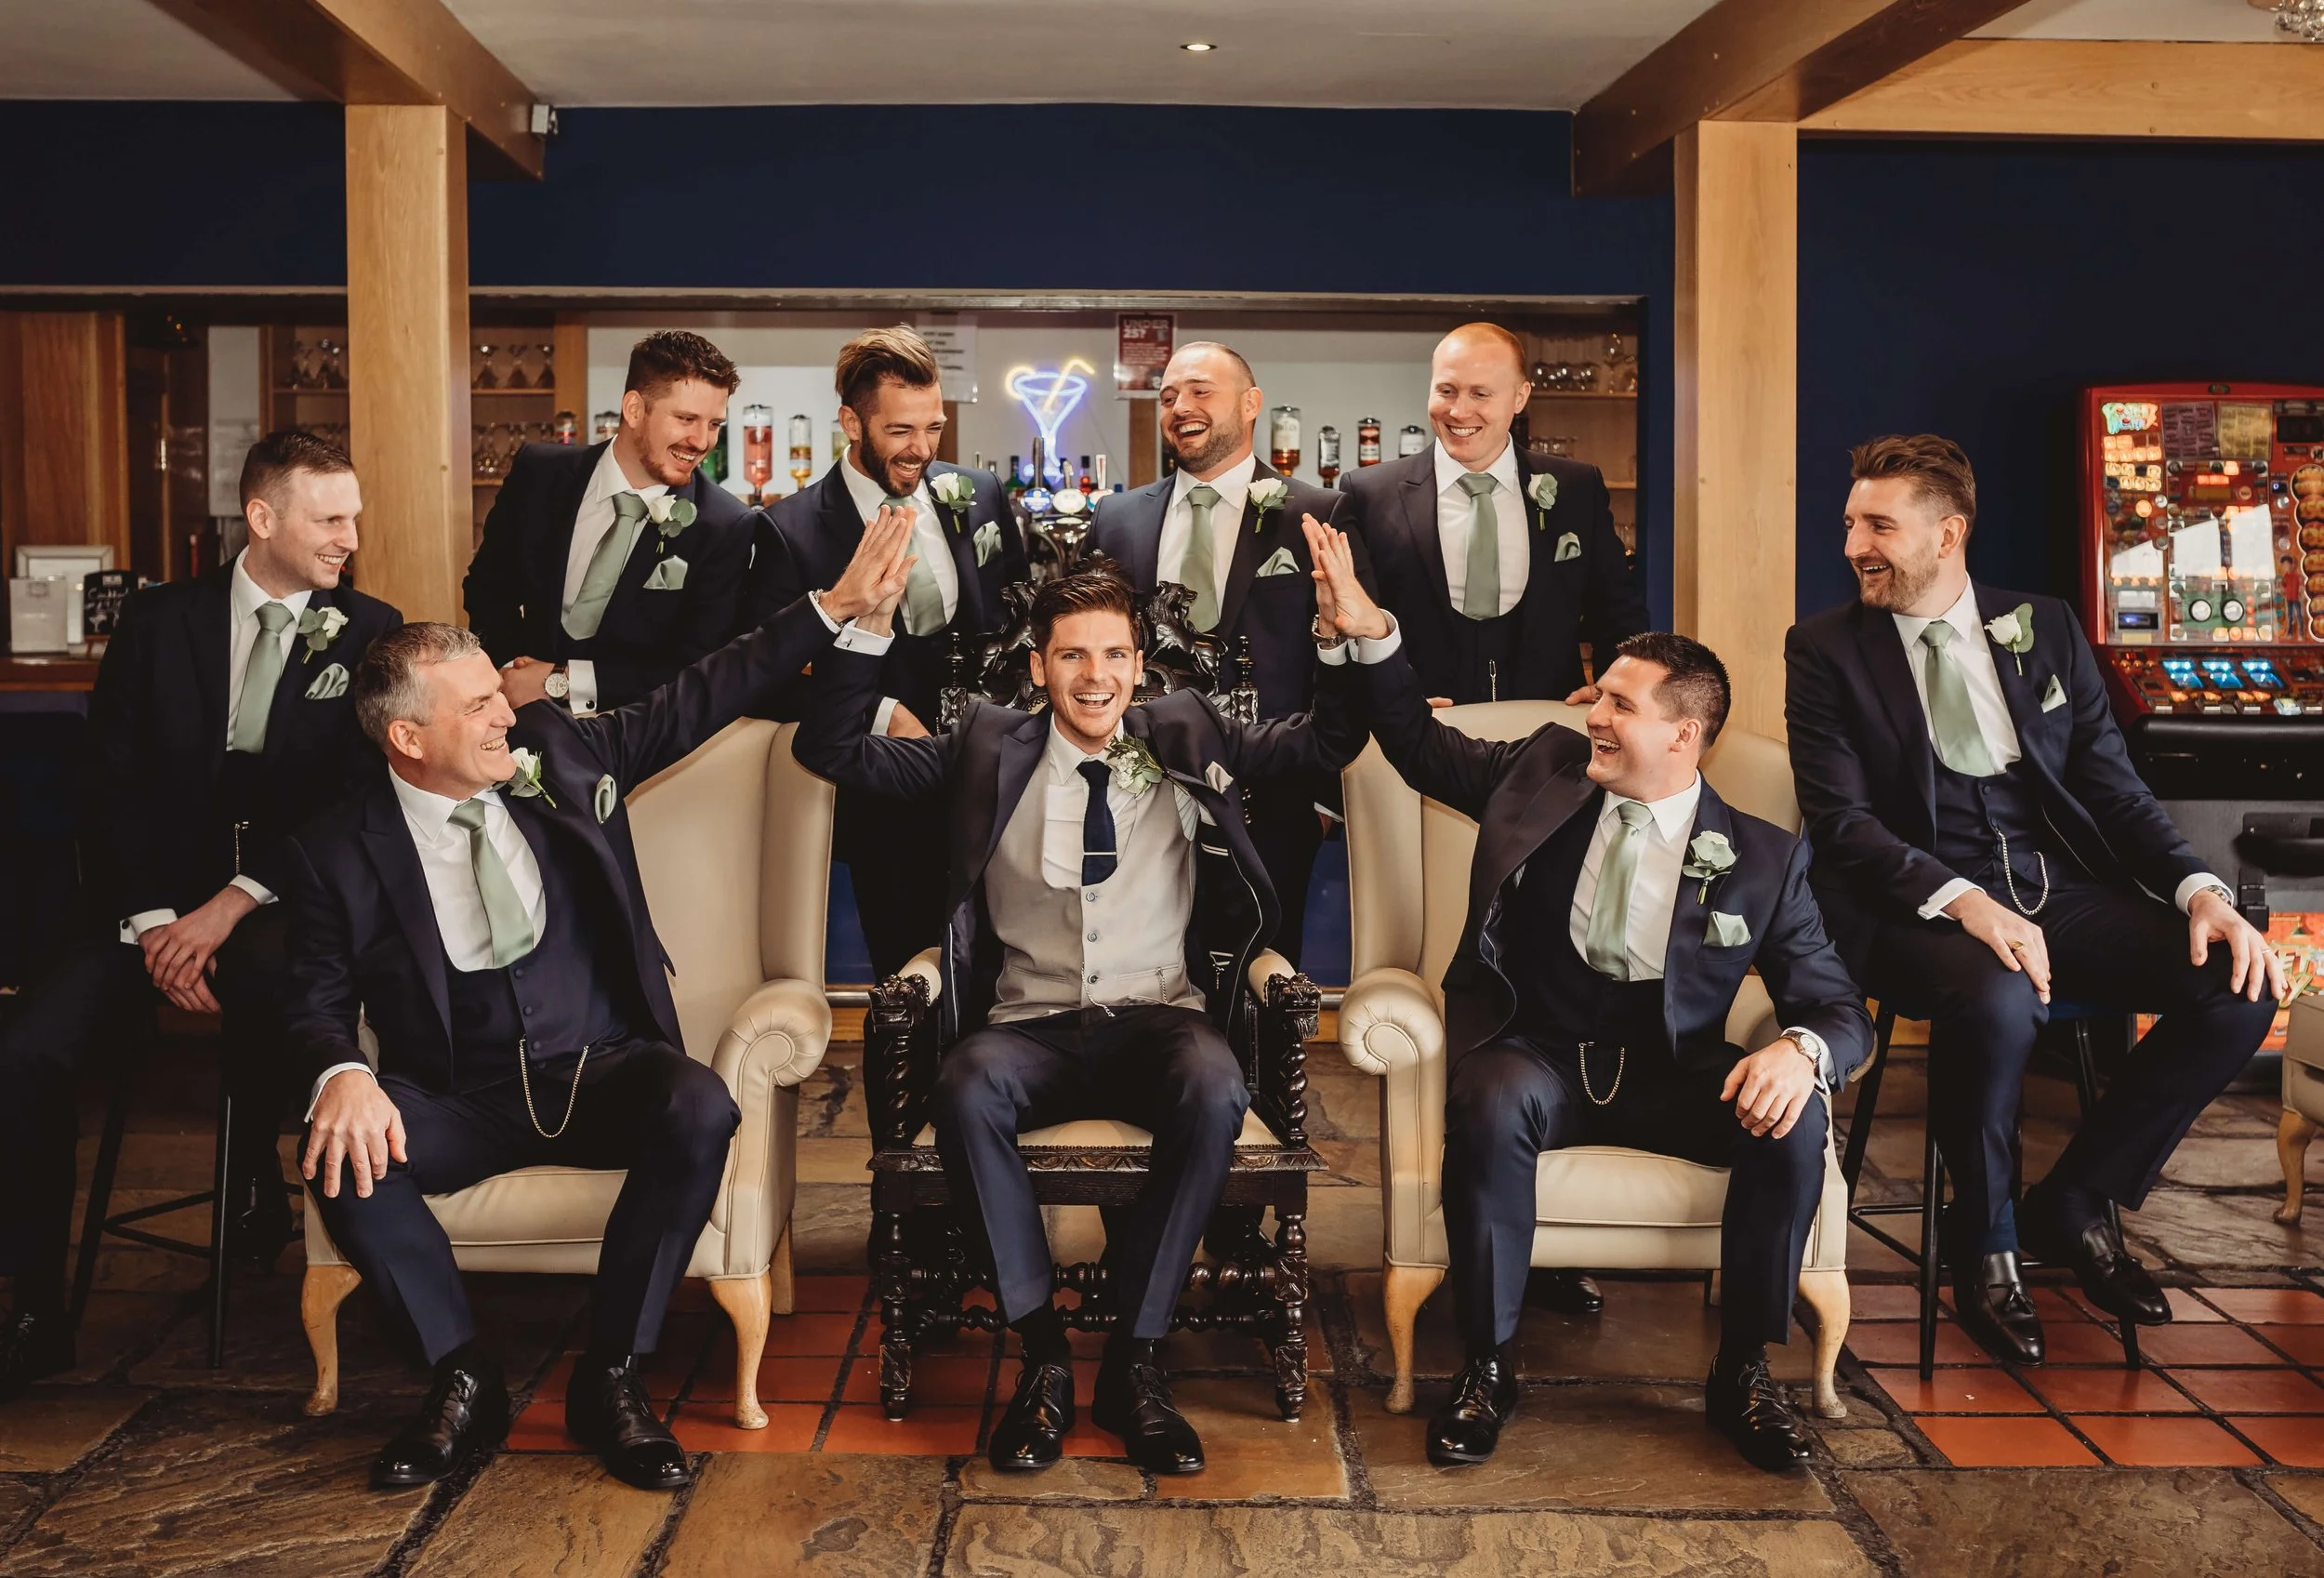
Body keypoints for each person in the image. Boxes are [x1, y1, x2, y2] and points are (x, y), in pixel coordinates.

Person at [289, 513, 914, 1492]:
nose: (507, 713)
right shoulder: (337, 843)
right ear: (407, 738)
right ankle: (461, 1377)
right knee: (342, 1161)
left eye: (500, 691)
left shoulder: (558, 751)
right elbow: (315, 992)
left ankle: (613, 1375)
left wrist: (831, 609)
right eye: (477, 706)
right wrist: (344, 1072)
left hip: (599, 1067)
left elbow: (704, 692)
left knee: (699, 1103)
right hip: (456, 1094)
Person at [1306, 516, 1869, 1473]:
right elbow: (1412, 742)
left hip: (1675, 1070)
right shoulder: (1542, 768)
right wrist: (1370, 630)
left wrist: (1798, 1048)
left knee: (1794, 1118)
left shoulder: (1764, 860)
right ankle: (1486, 1364)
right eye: (1597, 694)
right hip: (1540, 1048)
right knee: (1487, 1097)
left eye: (1616, 702)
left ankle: (1741, 1371)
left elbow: (1835, 1004)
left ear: (1683, 735)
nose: (1592, 713)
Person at [794, 567, 1375, 1478]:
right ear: (1038, 666)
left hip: (1157, 1017)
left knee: (1216, 1084)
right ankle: (1044, 1358)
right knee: (963, 1087)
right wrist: (860, 630)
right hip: (1026, 1023)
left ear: (1139, 666)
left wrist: (1343, 639)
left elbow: (1329, 738)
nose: (1094, 674)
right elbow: (835, 751)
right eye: (1071, 654)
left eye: (1112, 653)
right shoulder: (986, 743)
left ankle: (1136, 1363)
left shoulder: (1187, 731)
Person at [1784, 434, 2282, 1365]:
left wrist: (2199, 889)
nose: (1854, 543)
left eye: (1878, 525)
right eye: (1851, 522)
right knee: (1996, 994)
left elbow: (2110, 782)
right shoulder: (1823, 649)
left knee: (2239, 982)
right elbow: (1841, 821)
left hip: (2056, 887)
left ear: (1948, 533)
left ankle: (2076, 1197)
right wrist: (1964, 899)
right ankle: (1985, 1240)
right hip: (1909, 905)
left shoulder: (2041, 624)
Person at [0, 431, 399, 1401]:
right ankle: (33, 1305)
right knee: (26, 1051)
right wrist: (152, 921)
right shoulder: (158, 620)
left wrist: (227, 906)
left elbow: (350, 802)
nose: (350, 535)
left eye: (354, 515)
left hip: (275, 903)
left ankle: (271, 1185)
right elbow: (110, 782)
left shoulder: (369, 627)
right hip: (140, 907)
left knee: (285, 1001)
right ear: (262, 518)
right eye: (329, 517)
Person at [749, 325, 1025, 979]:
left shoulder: (978, 494)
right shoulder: (788, 532)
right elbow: (770, 681)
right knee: (906, 981)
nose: (922, 450)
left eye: (933, 428)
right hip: (883, 794)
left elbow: (1019, 616)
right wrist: (884, 714)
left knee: (1002, 968)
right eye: (900, 431)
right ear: (852, 420)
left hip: (990, 780)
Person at [1087, 340, 1363, 965]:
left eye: (1200, 391)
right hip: (1142, 800)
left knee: (1262, 978)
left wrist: (1321, 800)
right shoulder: (1117, 518)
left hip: (1275, 800)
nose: (1181, 406)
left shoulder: (1318, 514)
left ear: (1251, 403)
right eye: (1168, 396)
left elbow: (1344, 654)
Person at [464, 330, 759, 716]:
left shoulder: (724, 525)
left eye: (715, 424)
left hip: (632, 733)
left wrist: (562, 681)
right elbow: (487, 587)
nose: (702, 441)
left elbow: (698, 664)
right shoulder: (539, 472)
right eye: (686, 419)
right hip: (513, 715)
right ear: (634, 409)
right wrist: (508, 674)